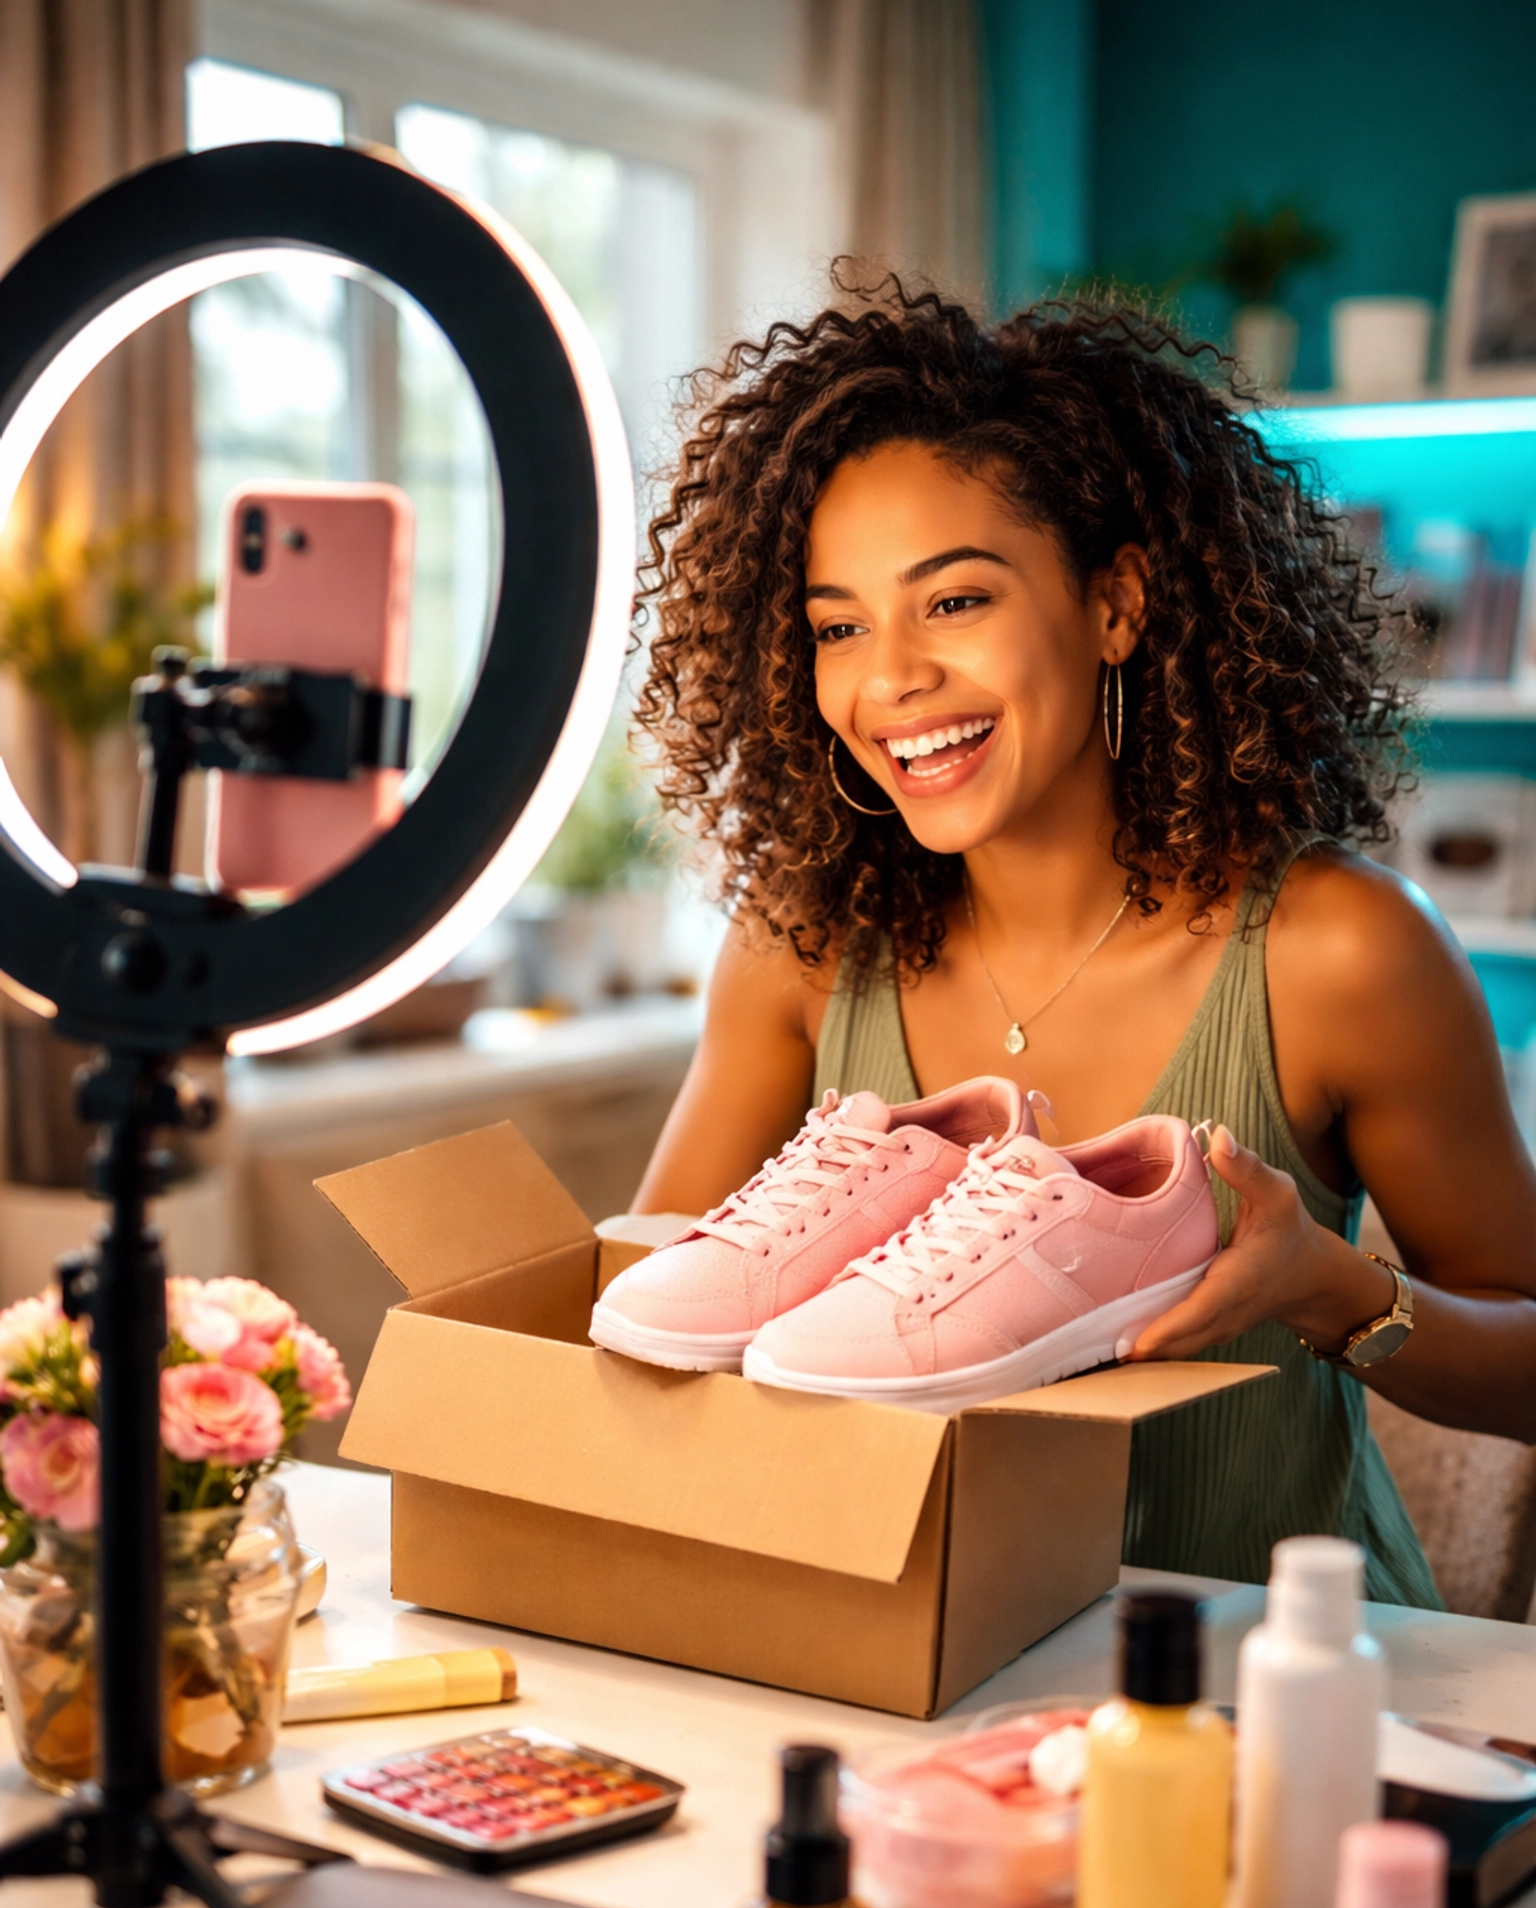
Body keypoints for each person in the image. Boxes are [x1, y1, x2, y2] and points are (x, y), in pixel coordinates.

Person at [627, 281, 1536, 1606]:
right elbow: (659, 1307)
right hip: (902, 1663)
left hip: (1258, 1688)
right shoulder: (800, 950)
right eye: (838, 627)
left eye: (955, 603)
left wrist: (1328, 1287)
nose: (889, 681)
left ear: (1116, 606)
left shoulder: (1337, 954)